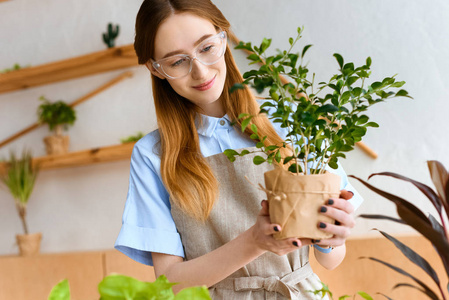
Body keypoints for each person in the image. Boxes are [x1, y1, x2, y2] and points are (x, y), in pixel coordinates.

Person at [115, 0, 363, 298]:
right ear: (155, 69)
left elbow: (331, 260)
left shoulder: (293, 122)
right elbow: (170, 284)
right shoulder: (153, 155)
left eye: (206, 48)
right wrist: (255, 242)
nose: (201, 72)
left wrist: (331, 236)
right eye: (177, 62)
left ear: (223, 36)